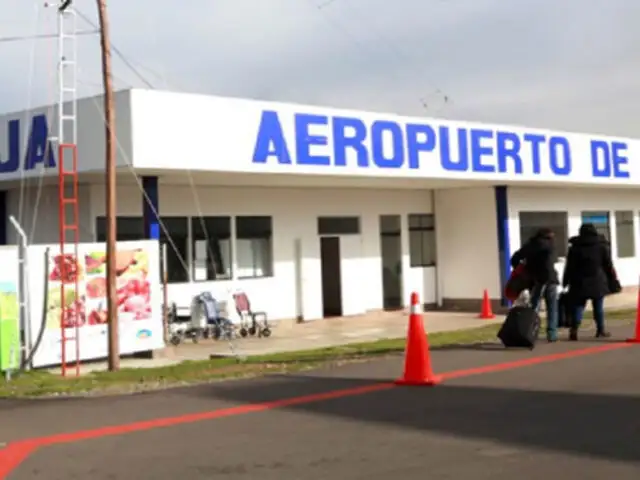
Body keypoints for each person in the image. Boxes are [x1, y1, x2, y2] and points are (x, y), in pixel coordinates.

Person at [562, 223, 616, 341]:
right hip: (597, 280)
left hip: (579, 281)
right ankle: (600, 330)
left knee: (579, 306)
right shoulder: (601, 247)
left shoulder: (575, 248)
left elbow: (569, 267)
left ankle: (574, 329)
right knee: (598, 307)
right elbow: (608, 265)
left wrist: (565, 281)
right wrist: (613, 280)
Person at [510, 227, 560, 342]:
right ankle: (552, 333)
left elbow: (514, 259)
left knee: (534, 306)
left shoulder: (530, 245)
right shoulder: (550, 246)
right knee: (552, 307)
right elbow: (551, 262)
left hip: (536, 279)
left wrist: (522, 270)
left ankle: (530, 330)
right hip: (550, 279)